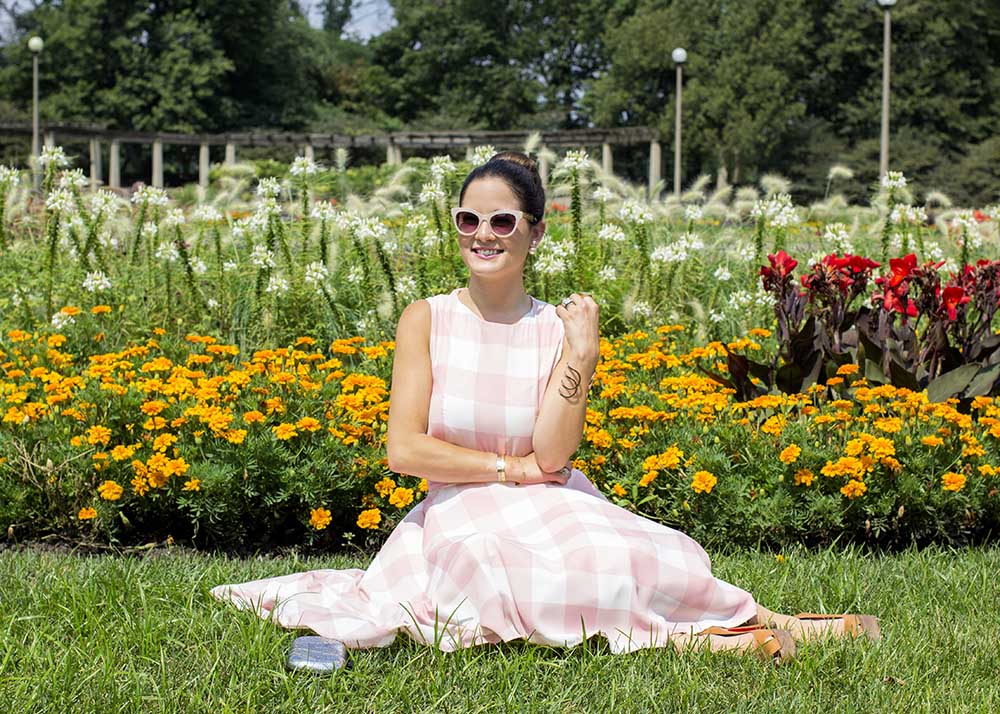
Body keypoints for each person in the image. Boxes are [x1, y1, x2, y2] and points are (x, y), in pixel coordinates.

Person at [210, 151, 879, 667]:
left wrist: (580, 359)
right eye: (468, 220)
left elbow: (555, 457)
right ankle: (706, 645)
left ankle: (777, 619)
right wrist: (508, 469)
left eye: (502, 221)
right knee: (513, 570)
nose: (483, 235)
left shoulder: (556, 327)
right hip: (460, 506)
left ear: (536, 231)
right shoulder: (428, 319)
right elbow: (405, 451)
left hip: (551, 493)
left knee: (632, 555)